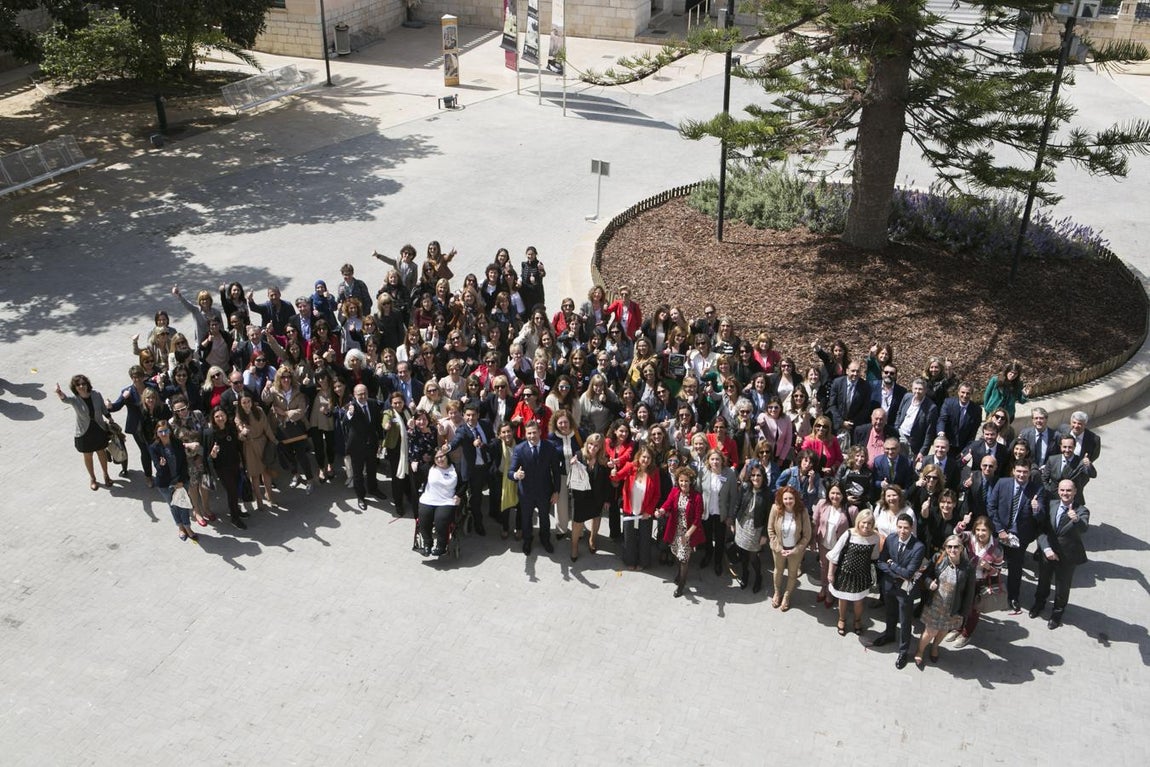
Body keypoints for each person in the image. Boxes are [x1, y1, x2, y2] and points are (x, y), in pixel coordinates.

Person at [1030, 479, 1090, 629]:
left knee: (1062, 587)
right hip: (1048, 552)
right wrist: (1046, 549)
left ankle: (1057, 613)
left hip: (1067, 557)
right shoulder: (1051, 505)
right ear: (1058, 491)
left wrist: (1076, 520)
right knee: (1043, 581)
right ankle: (1039, 604)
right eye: (1062, 490)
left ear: (1075, 491)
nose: (1065, 493)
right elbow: (1042, 529)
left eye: (1069, 490)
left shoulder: (1082, 510)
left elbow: (1083, 528)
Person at [988, 462, 1044, 613]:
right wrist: (1000, 530)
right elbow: (991, 507)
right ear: (1013, 471)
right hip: (999, 533)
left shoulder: (1036, 489)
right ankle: (991, 591)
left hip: (1020, 537)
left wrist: (1036, 509)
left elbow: (1041, 516)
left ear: (1029, 474)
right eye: (1018, 471)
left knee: (1015, 568)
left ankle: (1013, 597)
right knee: (992, 563)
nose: (1021, 475)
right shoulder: (1002, 483)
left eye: (1025, 472)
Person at [872, 513, 927, 669]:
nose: (902, 531)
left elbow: (909, 573)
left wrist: (892, 564)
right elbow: (881, 562)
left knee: (904, 621)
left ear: (911, 528)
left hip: (905, 591)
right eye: (900, 527)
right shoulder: (891, 539)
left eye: (906, 528)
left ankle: (903, 651)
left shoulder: (918, 547)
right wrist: (895, 572)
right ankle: (889, 634)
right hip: (889, 585)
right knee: (889, 612)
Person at [915, 534, 977, 667]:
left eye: (956, 547)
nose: (952, 550)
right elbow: (925, 575)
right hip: (935, 605)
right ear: (945, 547)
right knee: (930, 631)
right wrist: (929, 583)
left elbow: (969, 592)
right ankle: (920, 651)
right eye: (949, 547)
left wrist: (964, 613)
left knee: (943, 630)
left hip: (953, 607)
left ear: (961, 548)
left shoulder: (968, 567)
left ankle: (935, 647)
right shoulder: (938, 558)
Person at [509, 420, 562, 555]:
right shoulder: (519, 449)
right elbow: (510, 472)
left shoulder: (549, 447)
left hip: (545, 492)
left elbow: (556, 471)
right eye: (529, 433)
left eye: (534, 432)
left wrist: (556, 491)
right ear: (525, 434)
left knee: (544, 518)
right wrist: (516, 475)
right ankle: (528, 540)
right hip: (526, 493)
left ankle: (545, 539)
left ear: (539, 432)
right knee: (526, 519)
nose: (532, 436)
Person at [950, 515, 1004, 648]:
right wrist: (963, 523)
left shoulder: (997, 549)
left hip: (980, 582)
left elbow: (997, 571)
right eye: (978, 530)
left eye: (984, 530)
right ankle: (957, 628)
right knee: (959, 605)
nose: (980, 533)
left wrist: (987, 567)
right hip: (963, 578)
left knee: (973, 611)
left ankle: (966, 634)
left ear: (990, 531)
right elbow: (956, 534)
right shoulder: (969, 537)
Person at [826, 508, 881, 635]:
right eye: (863, 522)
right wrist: (830, 573)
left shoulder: (874, 538)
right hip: (845, 574)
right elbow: (835, 554)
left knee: (859, 601)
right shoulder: (849, 534)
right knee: (843, 599)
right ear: (858, 522)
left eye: (869, 523)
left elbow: (874, 556)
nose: (866, 526)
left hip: (862, 575)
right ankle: (842, 619)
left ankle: (857, 621)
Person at [440, 403, 491, 536]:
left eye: (473, 415)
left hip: (484, 467)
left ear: (478, 415)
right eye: (468, 415)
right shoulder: (462, 430)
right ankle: (470, 521)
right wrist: (448, 448)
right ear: (464, 415)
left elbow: (494, 442)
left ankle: (478, 521)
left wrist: (483, 445)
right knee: (470, 496)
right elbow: (456, 441)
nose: (471, 418)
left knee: (477, 497)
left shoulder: (486, 425)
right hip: (470, 468)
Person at [57, 375, 114, 491]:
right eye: (78, 385)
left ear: (87, 384)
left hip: (99, 429)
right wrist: (59, 392)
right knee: (88, 456)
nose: (81, 386)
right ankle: (93, 478)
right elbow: (65, 399)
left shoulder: (96, 394)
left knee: (101, 452)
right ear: (75, 387)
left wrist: (109, 418)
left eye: (83, 384)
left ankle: (106, 475)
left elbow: (103, 408)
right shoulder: (75, 399)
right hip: (84, 432)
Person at [612, 444, 663, 570]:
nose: (646, 460)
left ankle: (643, 562)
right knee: (629, 537)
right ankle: (630, 561)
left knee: (645, 538)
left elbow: (657, 494)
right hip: (630, 509)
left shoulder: (654, 472)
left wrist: (649, 511)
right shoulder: (630, 467)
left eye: (649, 458)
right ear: (639, 456)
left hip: (645, 511)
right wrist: (613, 473)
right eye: (644, 457)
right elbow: (617, 477)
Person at [658, 466, 705, 598]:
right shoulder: (674, 491)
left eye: (686, 481)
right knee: (677, 554)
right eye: (681, 481)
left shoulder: (697, 497)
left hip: (688, 532)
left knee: (684, 559)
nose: (683, 484)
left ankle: (681, 585)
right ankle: (679, 574)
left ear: (691, 482)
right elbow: (667, 504)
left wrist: (687, 535)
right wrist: (661, 511)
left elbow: (697, 520)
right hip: (675, 530)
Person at [149, 422, 199, 541]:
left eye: (166, 431)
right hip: (165, 484)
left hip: (180, 481)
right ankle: (180, 527)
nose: (164, 434)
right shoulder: (154, 447)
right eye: (161, 431)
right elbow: (157, 467)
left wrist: (181, 481)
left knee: (184, 505)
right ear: (157, 433)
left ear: (170, 431)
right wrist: (161, 465)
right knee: (173, 506)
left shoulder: (177, 443)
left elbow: (183, 464)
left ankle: (188, 527)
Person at [813, 480, 859, 607]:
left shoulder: (851, 510)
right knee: (823, 567)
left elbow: (856, 530)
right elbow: (815, 523)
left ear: (843, 495)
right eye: (832, 493)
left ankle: (831, 593)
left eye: (838, 493)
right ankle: (823, 588)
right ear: (828, 493)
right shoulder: (822, 504)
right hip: (823, 544)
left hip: (839, 548)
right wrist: (812, 541)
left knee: (834, 571)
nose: (835, 496)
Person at [767, 486, 811, 611]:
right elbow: (770, 530)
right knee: (778, 570)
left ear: (796, 499)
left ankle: (786, 596)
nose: (788, 501)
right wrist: (778, 547)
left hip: (795, 550)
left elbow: (807, 534)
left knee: (792, 573)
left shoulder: (802, 511)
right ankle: (777, 593)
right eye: (785, 498)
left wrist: (796, 549)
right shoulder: (775, 509)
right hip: (779, 548)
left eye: (791, 498)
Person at [569, 433, 612, 559]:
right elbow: (573, 475)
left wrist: (607, 499)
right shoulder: (579, 455)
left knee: (596, 517)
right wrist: (572, 465)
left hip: (597, 496)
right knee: (577, 522)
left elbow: (606, 481)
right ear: (587, 443)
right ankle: (574, 545)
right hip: (580, 496)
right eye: (591, 444)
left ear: (601, 447)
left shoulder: (604, 459)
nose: (592, 448)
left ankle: (592, 539)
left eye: (596, 446)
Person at [728, 464, 770, 593]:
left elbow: (769, 516)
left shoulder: (768, 494)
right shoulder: (745, 488)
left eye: (758, 475)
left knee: (753, 556)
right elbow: (737, 504)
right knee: (742, 552)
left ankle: (758, 577)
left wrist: (764, 534)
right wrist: (732, 522)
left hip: (756, 527)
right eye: (753, 475)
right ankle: (745, 574)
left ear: (763, 477)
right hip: (741, 524)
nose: (756, 478)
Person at [697, 449, 739, 577]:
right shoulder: (703, 472)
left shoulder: (730, 474)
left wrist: (731, 516)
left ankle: (718, 562)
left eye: (717, 459)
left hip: (722, 513)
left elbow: (733, 497)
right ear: (708, 461)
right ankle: (708, 555)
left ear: (722, 460)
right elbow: (698, 492)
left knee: (720, 539)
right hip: (707, 512)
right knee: (707, 537)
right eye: (712, 459)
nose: (715, 462)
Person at [235, 391, 277, 513]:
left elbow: (267, 427)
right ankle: (259, 500)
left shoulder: (259, 410)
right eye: (244, 402)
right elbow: (240, 434)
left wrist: (274, 441)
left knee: (266, 472)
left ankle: (270, 496)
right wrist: (242, 433)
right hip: (250, 447)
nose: (247, 404)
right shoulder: (239, 416)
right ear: (240, 404)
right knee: (255, 475)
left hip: (262, 443)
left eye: (248, 401)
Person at [345, 384, 385, 511]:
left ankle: (373, 489)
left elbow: (378, 423)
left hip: (371, 444)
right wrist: (349, 414)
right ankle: (361, 497)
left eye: (364, 393)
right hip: (357, 446)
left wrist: (380, 439)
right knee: (358, 474)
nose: (363, 396)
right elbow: (344, 422)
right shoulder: (351, 406)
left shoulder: (373, 403)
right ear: (354, 395)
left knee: (372, 469)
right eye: (359, 394)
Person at [205, 406, 245, 527]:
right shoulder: (210, 433)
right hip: (222, 468)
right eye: (217, 416)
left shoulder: (231, 427)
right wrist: (213, 453)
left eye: (222, 415)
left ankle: (236, 510)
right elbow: (208, 456)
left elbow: (238, 446)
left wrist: (242, 461)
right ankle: (234, 518)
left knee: (237, 489)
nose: (220, 418)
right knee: (231, 491)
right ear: (213, 418)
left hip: (235, 463)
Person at [417, 451, 462, 557]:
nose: (439, 459)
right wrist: (415, 466)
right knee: (423, 519)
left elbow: (463, 484)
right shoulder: (429, 468)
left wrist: (459, 495)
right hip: (429, 499)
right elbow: (418, 476)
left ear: (447, 457)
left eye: (442, 456)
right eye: (436, 457)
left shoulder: (455, 469)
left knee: (440, 521)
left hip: (446, 500)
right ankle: (427, 544)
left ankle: (441, 546)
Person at [1041, 433, 1097, 505]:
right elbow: (1044, 479)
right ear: (1060, 447)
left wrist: (1089, 465)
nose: (1067, 450)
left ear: (1074, 447)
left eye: (1070, 447)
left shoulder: (1080, 461)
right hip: (1054, 500)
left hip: (1074, 501)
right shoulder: (1052, 460)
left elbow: (1093, 475)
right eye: (1064, 447)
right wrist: (1051, 491)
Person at [936, 382, 981, 459]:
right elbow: (942, 420)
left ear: (971, 394)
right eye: (963, 392)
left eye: (968, 393)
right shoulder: (948, 403)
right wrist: (941, 433)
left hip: (962, 446)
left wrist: (967, 449)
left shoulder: (976, 410)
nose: (965, 395)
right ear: (958, 392)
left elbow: (973, 433)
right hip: (946, 442)